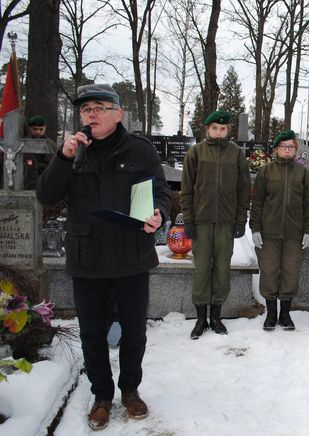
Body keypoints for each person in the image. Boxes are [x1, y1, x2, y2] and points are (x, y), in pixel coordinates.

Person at [36, 84, 171, 431]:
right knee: (92, 334)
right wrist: (63, 158)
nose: (91, 115)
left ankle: (130, 390)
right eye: (85, 110)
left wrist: (158, 212)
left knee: (134, 333)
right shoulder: (73, 151)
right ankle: (101, 395)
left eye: (99, 107)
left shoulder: (140, 150)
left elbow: (161, 193)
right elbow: (46, 194)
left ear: (118, 114)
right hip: (88, 258)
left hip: (130, 257)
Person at [181, 110, 251, 339]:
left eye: (223, 129)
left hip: (225, 223)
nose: (219, 132)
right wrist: (188, 220)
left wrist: (240, 219)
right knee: (202, 270)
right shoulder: (196, 153)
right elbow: (187, 190)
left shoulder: (236, 155)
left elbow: (243, 189)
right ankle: (201, 318)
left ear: (227, 130)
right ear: (207, 130)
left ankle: (216, 317)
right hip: (201, 222)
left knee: (222, 269)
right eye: (214, 129)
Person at [250, 130, 309, 331]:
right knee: (269, 271)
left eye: (290, 146)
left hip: (294, 235)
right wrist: (255, 229)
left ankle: (285, 313)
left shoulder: (302, 174)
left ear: (295, 149)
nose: (286, 150)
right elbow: (258, 203)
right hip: (269, 234)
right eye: (283, 146)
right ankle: (271, 313)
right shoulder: (266, 172)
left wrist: (308, 230)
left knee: (290, 272)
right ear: (276, 149)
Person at [23, 115, 59, 190]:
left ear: (45, 129)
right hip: (25, 181)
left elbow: (54, 165)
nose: (38, 132)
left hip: (43, 182)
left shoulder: (50, 145)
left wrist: (36, 165)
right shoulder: (23, 144)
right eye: (35, 129)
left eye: (41, 129)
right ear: (30, 128)